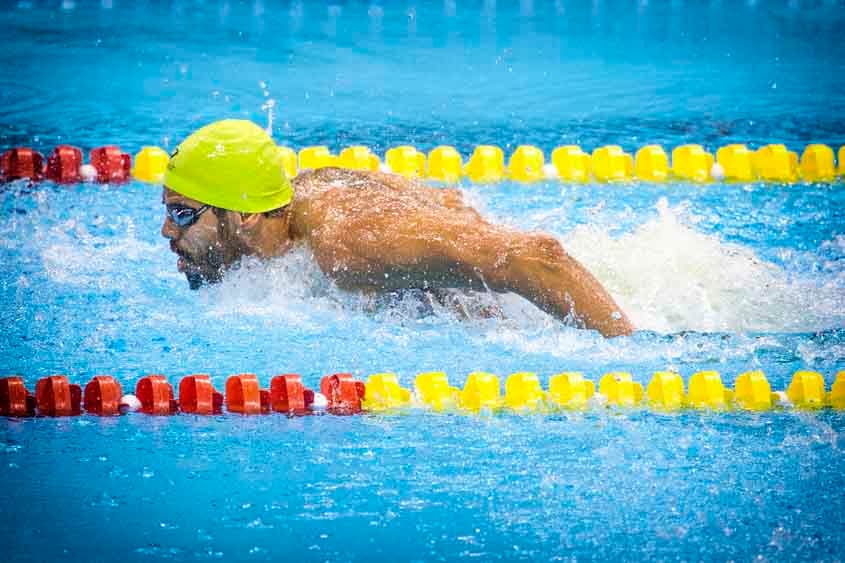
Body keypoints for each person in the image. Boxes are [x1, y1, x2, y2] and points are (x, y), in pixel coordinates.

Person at [161, 119, 634, 337]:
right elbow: (450, 205)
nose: (166, 231)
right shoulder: (301, 197)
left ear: (243, 215)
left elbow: (539, 257)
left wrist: (627, 354)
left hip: (536, 316)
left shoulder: (344, 245)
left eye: (183, 213)